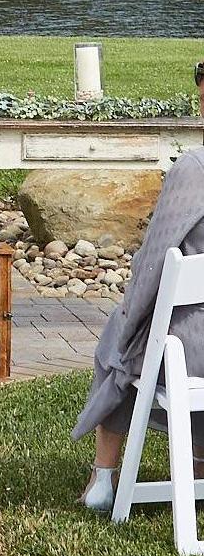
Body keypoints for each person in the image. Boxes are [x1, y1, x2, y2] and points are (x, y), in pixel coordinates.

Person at [74, 61, 204, 511]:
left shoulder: (195, 168)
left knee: (125, 335)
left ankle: (103, 475)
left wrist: (130, 320)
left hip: (194, 354)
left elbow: (153, 264)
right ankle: (198, 464)